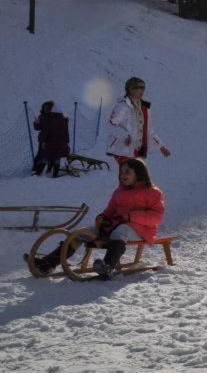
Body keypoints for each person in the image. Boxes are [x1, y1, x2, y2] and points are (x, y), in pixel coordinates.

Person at [27, 158, 164, 280]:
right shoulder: (119, 192)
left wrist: (131, 217)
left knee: (121, 231)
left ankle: (108, 266)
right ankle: (47, 264)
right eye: (121, 172)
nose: (123, 175)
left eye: (127, 172)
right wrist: (102, 217)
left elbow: (156, 217)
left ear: (139, 174)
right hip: (113, 225)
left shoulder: (153, 193)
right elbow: (110, 209)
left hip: (140, 229)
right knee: (81, 233)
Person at [107, 78, 171, 170]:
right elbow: (111, 125)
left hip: (137, 151)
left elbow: (148, 130)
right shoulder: (123, 106)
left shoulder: (143, 109)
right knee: (132, 178)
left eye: (143, 88)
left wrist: (161, 146)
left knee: (135, 179)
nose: (143, 90)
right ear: (131, 89)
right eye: (140, 87)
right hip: (122, 150)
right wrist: (125, 136)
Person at [32, 101, 70, 177]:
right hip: (47, 141)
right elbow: (38, 127)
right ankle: (37, 170)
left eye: (47, 108)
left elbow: (64, 131)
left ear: (52, 109)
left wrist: (66, 141)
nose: (46, 109)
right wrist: (36, 123)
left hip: (50, 141)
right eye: (45, 107)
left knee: (49, 156)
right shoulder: (44, 117)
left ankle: (40, 173)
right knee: (45, 156)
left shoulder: (55, 118)